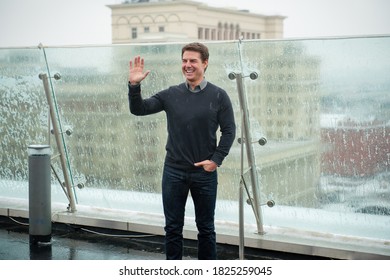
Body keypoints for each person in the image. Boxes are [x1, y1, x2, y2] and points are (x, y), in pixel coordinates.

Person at [127, 42, 236, 260]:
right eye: (184, 60)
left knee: (206, 229)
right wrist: (133, 85)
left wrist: (216, 160)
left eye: (193, 61)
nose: (188, 65)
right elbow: (139, 109)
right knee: (173, 229)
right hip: (173, 171)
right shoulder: (171, 94)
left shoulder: (218, 95)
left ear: (205, 63)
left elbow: (229, 131)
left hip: (204, 174)